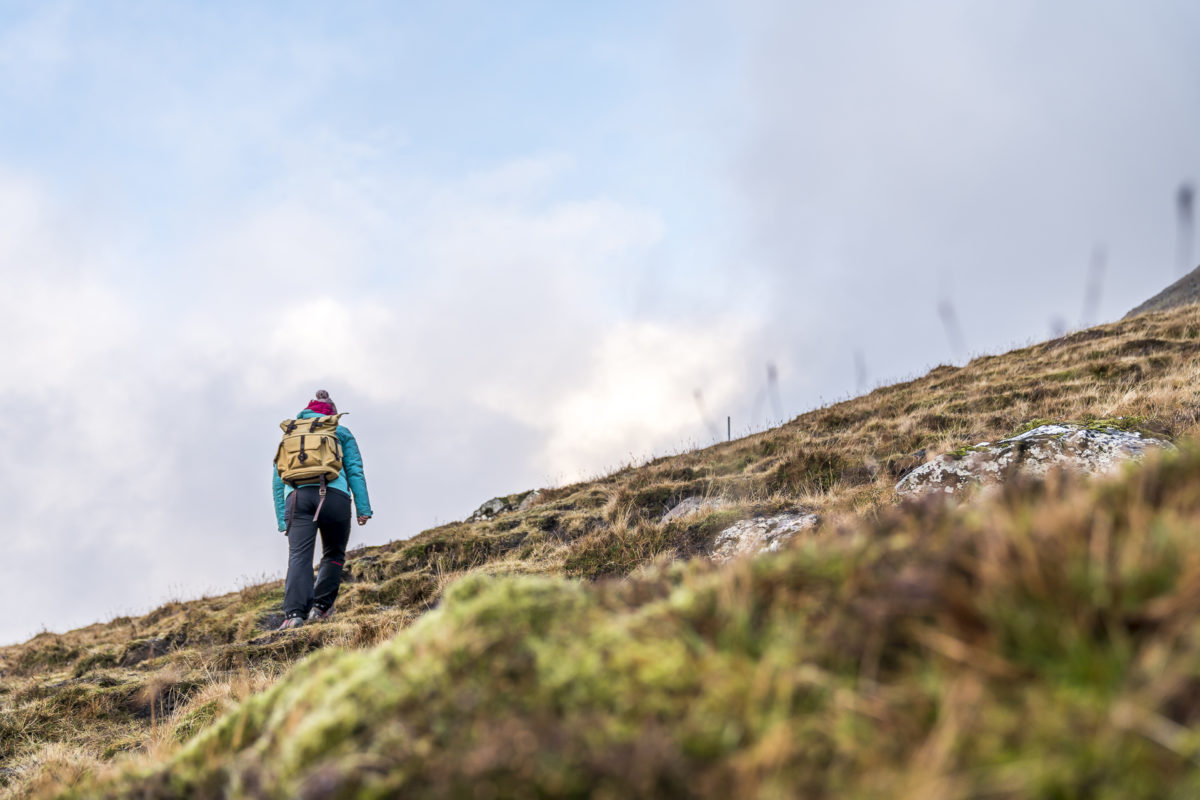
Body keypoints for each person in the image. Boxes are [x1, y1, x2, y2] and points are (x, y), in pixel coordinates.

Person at [273, 390, 373, 630]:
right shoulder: (340, 432)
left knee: (299, 556)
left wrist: (281, 519)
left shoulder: (292, 432)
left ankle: (295, 614)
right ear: (332, 414)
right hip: (335, 498)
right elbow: (355, 470)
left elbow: (278, 480)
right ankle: (320, 608)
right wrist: (363, 508)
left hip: (297, 498)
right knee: (334, 553)